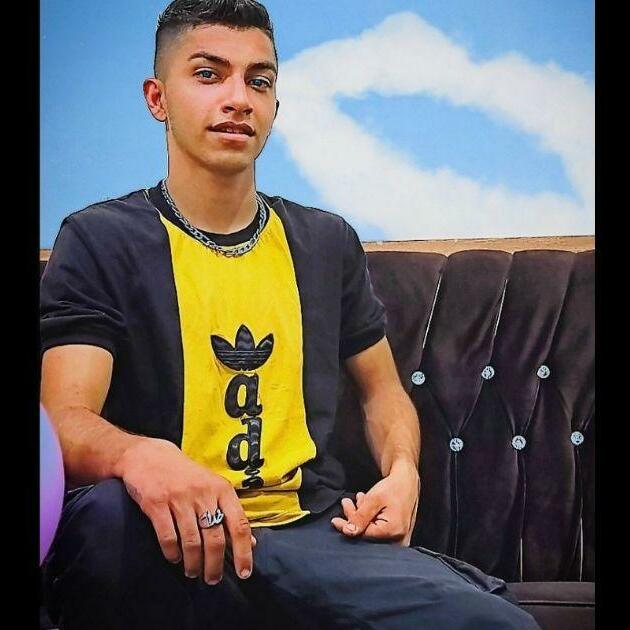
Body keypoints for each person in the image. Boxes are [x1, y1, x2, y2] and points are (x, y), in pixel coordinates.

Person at [40, 1, 542, 628]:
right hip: (163, 534)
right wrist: (141, 457)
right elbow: (64, 420)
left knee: (499, 624)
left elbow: (383, 392)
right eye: (208, 74)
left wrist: (403, 472)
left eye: (259, 81)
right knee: (108, 520)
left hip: (310, 533)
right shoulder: (99, 239)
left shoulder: (325, 242)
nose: (238, 98)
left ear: (275, 104)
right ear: (157, 98)